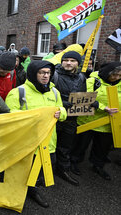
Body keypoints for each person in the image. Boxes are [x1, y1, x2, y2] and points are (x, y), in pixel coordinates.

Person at [5, 60, 67, 208]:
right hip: (26, 142)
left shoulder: (54, 91)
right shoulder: (18, 92)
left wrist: (61, 113)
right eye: (42, 73)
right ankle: (15, 193)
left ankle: (32, 191)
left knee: (39, 171)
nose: (46, 76)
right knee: (21, 170)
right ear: (33, 73)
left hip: (48, 140)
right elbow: (9, 116)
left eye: (48, 73)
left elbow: (63, 110)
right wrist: (31, 117)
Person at [71, 62, 121, 181]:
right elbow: (82, 98)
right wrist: (103, 107)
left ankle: (98, 165)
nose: (117, 78)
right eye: (114, 75)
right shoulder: (92, 81)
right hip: (88, 121)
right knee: (80, 145)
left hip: (108, 124)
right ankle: (74, 162)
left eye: (120, 75)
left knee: (102, 147)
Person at [51, 51, 86, 186]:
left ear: (78, 63)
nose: (69, 63)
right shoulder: (54, 75)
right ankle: (45, 171)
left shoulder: (81, 78)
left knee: (66, 146)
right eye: (66, 60)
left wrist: (91, 103)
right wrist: (64, 104)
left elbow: (82, 96)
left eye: (72, 60)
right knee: (50, 145)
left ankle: (63, 169)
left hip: (72, 118)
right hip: (55, 117)